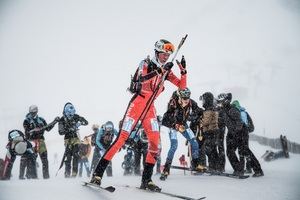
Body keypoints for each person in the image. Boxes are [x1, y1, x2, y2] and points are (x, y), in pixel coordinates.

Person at [91, 39, 187, 191]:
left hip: (150, 109)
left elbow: (182, 87)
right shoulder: (146, 63)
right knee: (121, 139)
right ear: (157, 52)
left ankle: (146, 180)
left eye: (168, 54)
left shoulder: (167, 70)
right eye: (163, 54)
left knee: (155, 144)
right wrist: (159, 71)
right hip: (137, 104)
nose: (166, 57)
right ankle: (97, 174)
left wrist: (183, 71)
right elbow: (142, 79)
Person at [160, 88, 204, 181]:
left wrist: (200, 115)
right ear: (179, 97)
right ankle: (166, 169)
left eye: (188, 97)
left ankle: (196, 164)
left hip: (183, 125)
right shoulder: (173, 103)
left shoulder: (191, 102)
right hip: (173, 127)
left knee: (194, 142)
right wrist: (174, 125)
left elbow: (199, 110)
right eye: (184, 98)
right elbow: (165, 120)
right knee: (174, 146)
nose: (186, 100)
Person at [20, 105, 59, 179]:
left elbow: (48, 128)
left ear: (37, 112)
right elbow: (27, 133)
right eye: (32, 113)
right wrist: (33, 130)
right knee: (31, 159)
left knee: (45, 160)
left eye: (34, 112)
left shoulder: (41, 119)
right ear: (30, 112)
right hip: (31, 142)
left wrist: (54, 122)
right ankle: (30, 176)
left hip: (41, 141)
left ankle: (46, 177)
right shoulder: (26, 121)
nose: (33, 114)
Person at [231, 100, 264, 177]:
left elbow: (239, 125)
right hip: (244, 134)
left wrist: (243, 130)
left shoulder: (238, 113)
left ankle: (254, 169)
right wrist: (246, 130)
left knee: (244, 151)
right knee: (244, 151)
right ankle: (248, 168)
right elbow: (251, 127)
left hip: (240, 134)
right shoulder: (244, 113)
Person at [58, 102, 88, 178]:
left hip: (76, 139)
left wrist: (80, 123)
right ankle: (67, 173)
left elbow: (86, 122)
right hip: (68, 140)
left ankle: (74, 173)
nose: (71, 116)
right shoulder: (62, 119)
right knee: (68, 157)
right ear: (66, 112)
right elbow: (60, 132)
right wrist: (70, 129)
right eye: (69, 114)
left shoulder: (76, 116)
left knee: (75, 155)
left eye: (72, 114)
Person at [199, 92, 222, 172]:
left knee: (209, 149)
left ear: (207, 100)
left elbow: (205, 122)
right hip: (212, 131)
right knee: (212, 150)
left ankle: (214, 166)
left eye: (203, 100)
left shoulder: (209, 110)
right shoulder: (211, 108)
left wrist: (199, 120)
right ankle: (215, 166)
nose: (203, 102)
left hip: (211, 132)